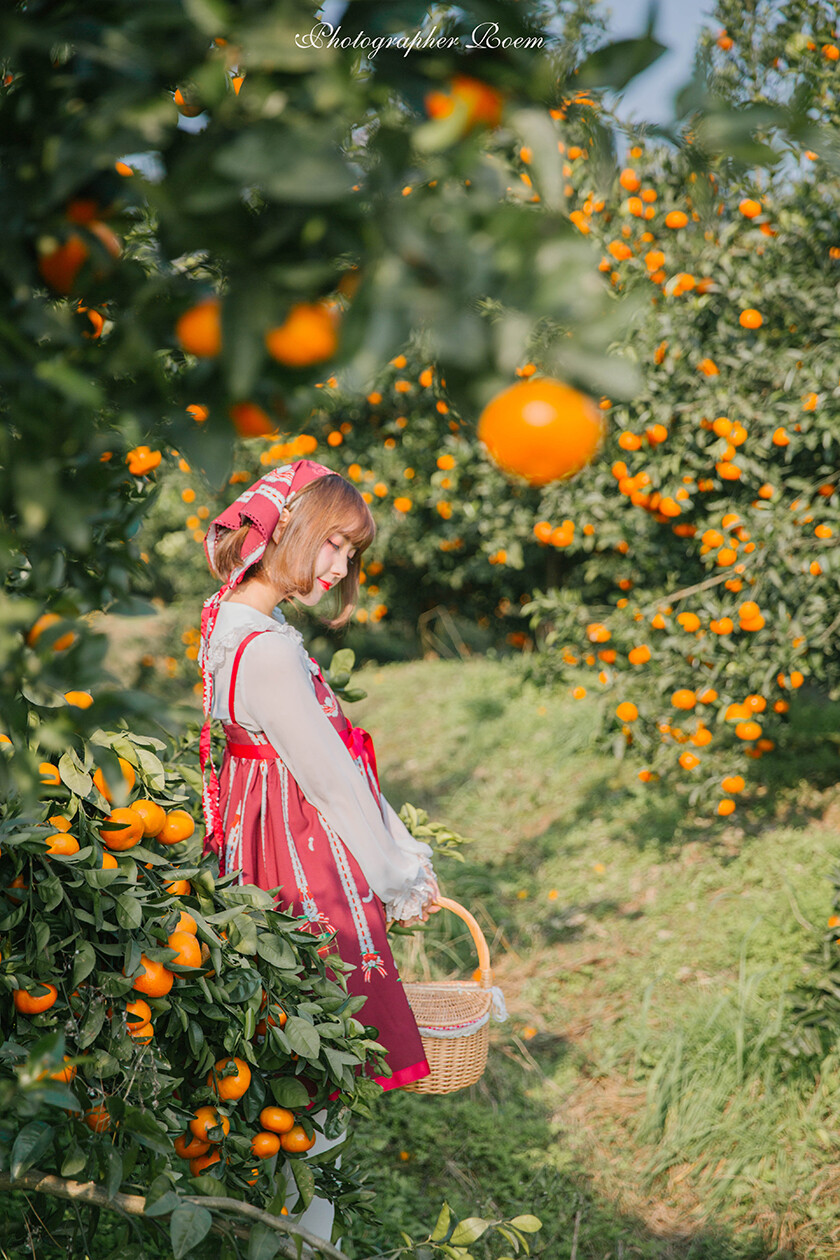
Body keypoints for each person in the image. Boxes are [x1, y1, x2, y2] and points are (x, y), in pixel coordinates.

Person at [197, 458, 439, 1237]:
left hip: (253, 848)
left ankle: (287, 1229)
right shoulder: (265, 648)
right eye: (333, 544)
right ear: (287, 533)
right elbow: (332, 782)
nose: (340, 567)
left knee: (280, 1078)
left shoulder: (231, 619)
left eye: (351, 553)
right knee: (311, 1080)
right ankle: (308, 1239)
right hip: (293, 863)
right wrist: (399, 875)